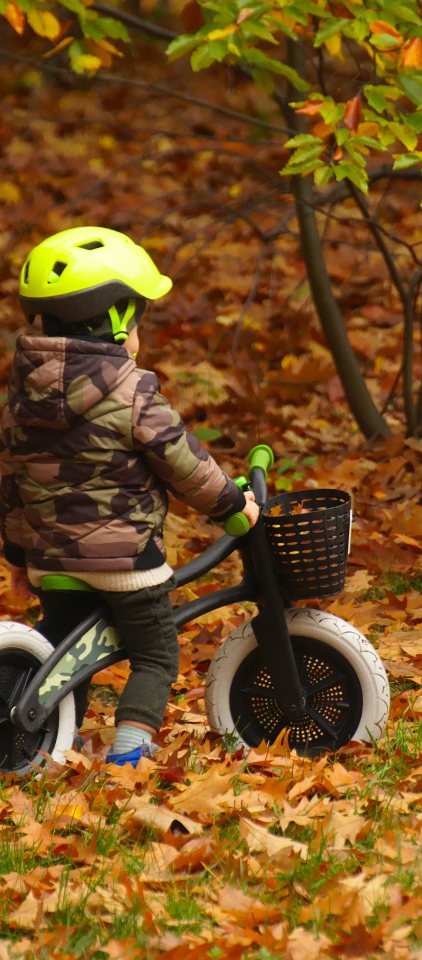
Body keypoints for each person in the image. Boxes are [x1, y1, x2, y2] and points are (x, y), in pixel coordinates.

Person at [0, 226, 260, 766]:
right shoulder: (133, 390)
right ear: (118, 320)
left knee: (65, 657)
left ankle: (46, 742)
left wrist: (18, 554)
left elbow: (10, 480)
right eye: (139, 317)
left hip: (54, 560)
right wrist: (232, 507)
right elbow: (183, 461)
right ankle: (130, 751)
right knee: (157, 656)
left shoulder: (22, 395)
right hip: (126, 562)